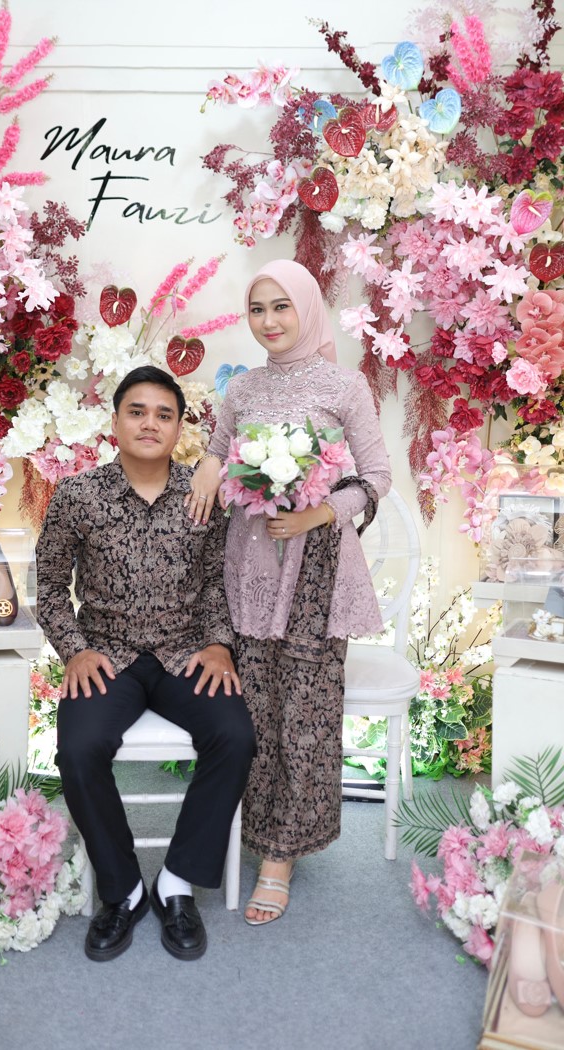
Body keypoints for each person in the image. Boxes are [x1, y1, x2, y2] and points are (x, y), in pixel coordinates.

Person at [187, 260, 391, 926]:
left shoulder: (345, 384)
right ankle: (251, 831)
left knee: (303, 718)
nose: (270, 321)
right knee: (252, 717)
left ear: (307, 309)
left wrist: (317, 513)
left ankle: (280, 856)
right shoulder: (243, 388)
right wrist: (207, 468)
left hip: (316, 570)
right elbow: (220, 449)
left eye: (282, 306)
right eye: (258, 308)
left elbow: (377, 477)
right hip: (249, 564)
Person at [36, 365, 256, 961]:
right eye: (137, 411)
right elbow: (50, 588)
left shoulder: (203, 495)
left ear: (180, 427)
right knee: (79, 749)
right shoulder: (77, 495)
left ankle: (176, 882)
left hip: (186, 651)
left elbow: (218, 583)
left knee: (235, 735)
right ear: (115, 421)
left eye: (164, 414)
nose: (150, 424)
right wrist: (75, 649)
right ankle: (123, 889)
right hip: (106, 655)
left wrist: (219, 643)